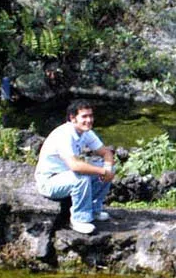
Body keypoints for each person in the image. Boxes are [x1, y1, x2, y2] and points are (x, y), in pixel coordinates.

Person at [35, 100, 116, 234]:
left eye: (90, 116)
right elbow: (75, 165)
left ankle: (94, 209)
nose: (89, 120)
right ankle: (79, 219)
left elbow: (106, 152)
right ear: (73, 118)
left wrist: (107, 169)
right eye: (84, 116)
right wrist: (102, 171)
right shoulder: (64, 134)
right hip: (49, 181)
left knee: (110, 169)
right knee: (81, 177)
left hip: (66, 176)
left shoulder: (86, 132)